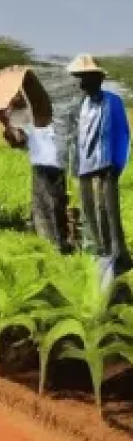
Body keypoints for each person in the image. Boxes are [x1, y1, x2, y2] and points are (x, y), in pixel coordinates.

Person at [65, 54, 131, 275]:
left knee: (107, 211)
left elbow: (123, 134)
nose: (80, 83)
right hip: (85, 167)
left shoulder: (112, 101)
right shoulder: (81, 105)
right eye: (79, 78)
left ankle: (118, 256)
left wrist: (116, 165)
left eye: (84, 78)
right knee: (88, 211)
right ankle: (98, 253)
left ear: (97, 79)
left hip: (106, 166)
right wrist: (75, 165)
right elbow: (76, 138)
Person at [2, 90, 71, 252]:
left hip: (49, 168)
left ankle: (53, 248)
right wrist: (7, 125)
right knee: (47, 208)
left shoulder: (45, 117)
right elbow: (20, 140)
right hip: (47, 167)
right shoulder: (35, 117)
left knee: (48, 208)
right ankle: (51, 245)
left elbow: (22, 140)